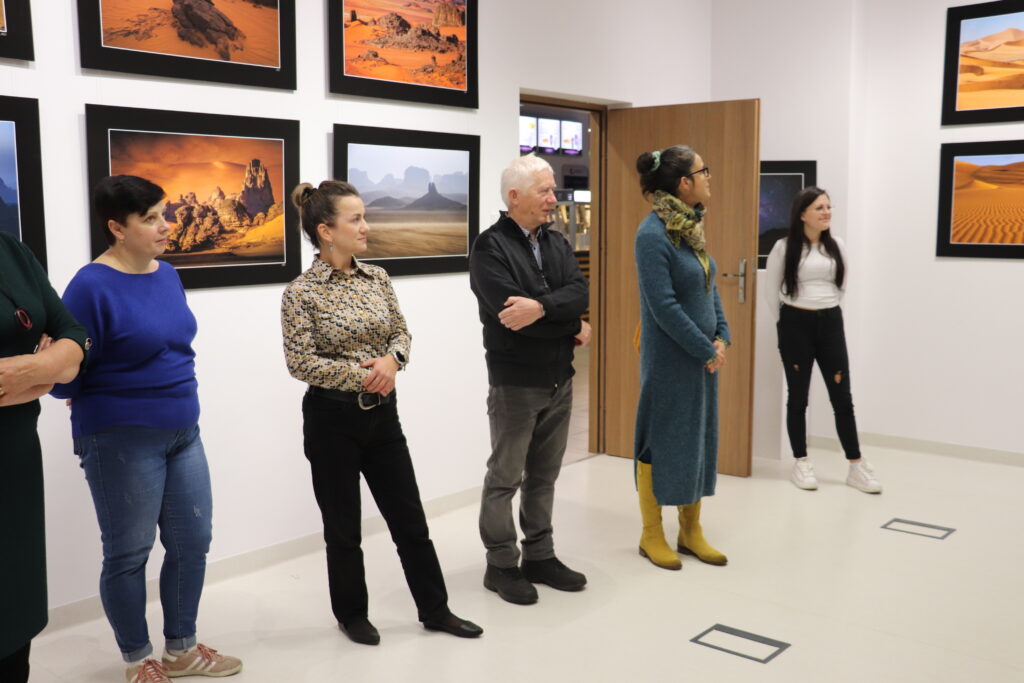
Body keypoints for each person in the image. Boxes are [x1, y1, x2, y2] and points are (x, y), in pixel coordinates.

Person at [51, 176, 242, 682]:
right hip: (120, 436)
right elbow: (63, 372)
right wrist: (74, 389)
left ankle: (181, 650)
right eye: (151, 218)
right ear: (117, 228)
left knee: (192, 542)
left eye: (165, 213)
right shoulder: (90, 286)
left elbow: (175, 347)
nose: (166, 225)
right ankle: (138, 659)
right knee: (128, 553)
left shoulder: (167, 274)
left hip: (184, 429)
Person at [280, 180, 482, 646]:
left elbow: (400, 333)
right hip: (331, 422)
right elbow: (300, 362)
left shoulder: (378, 278)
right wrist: (365, 375)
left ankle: (436, 609)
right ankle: (352, 615)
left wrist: (394, 361)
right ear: (326, 231)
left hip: (383, 417)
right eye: (356, 219)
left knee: (410, 521)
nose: (366, 226)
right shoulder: (301, 293)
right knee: (343, 529)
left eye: (364, 217)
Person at [469, 154, 591, 605]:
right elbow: (511, 318)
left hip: (560, 377)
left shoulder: (556, 242)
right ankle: (501, 564)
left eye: (552, 189)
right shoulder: (489, 248)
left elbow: (579, 292)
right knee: (505, 478)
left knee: (544, 476)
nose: (552, 198)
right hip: (515, 382)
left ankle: (539, 555)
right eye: (544, 190)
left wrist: (542, 307)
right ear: (515, 196)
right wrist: (570, 324)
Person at [632, 145, 729, 571]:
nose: (710, 178)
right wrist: (706, 348)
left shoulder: (688, 226)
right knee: (660, 439)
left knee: (697, 437)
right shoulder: (652, 235)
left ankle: (690, 531)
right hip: (671, 360)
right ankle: (651, 533)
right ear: (684, 183)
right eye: (703, 171)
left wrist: (722, 335)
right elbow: (664, 307)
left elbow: (709, 284)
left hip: (701, 358)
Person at [0, 233, 88, 683]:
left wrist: (35, 370)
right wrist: (45, 369)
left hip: (14, 469)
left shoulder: (10, 251)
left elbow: (74, 335)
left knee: (13, 626)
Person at [764, 187, 881, 494]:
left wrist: (825, 309)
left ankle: (856, 465)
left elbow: (842, 286)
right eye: (819, 208)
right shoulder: (784, 247)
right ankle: (801, 462)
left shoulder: (837, 246)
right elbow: (771, 291)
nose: (826, 212)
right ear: (802, 214)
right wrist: (786, 323)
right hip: (795, 325)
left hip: (830, 323)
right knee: (798, 397)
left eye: (828, 207)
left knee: (842, 397)